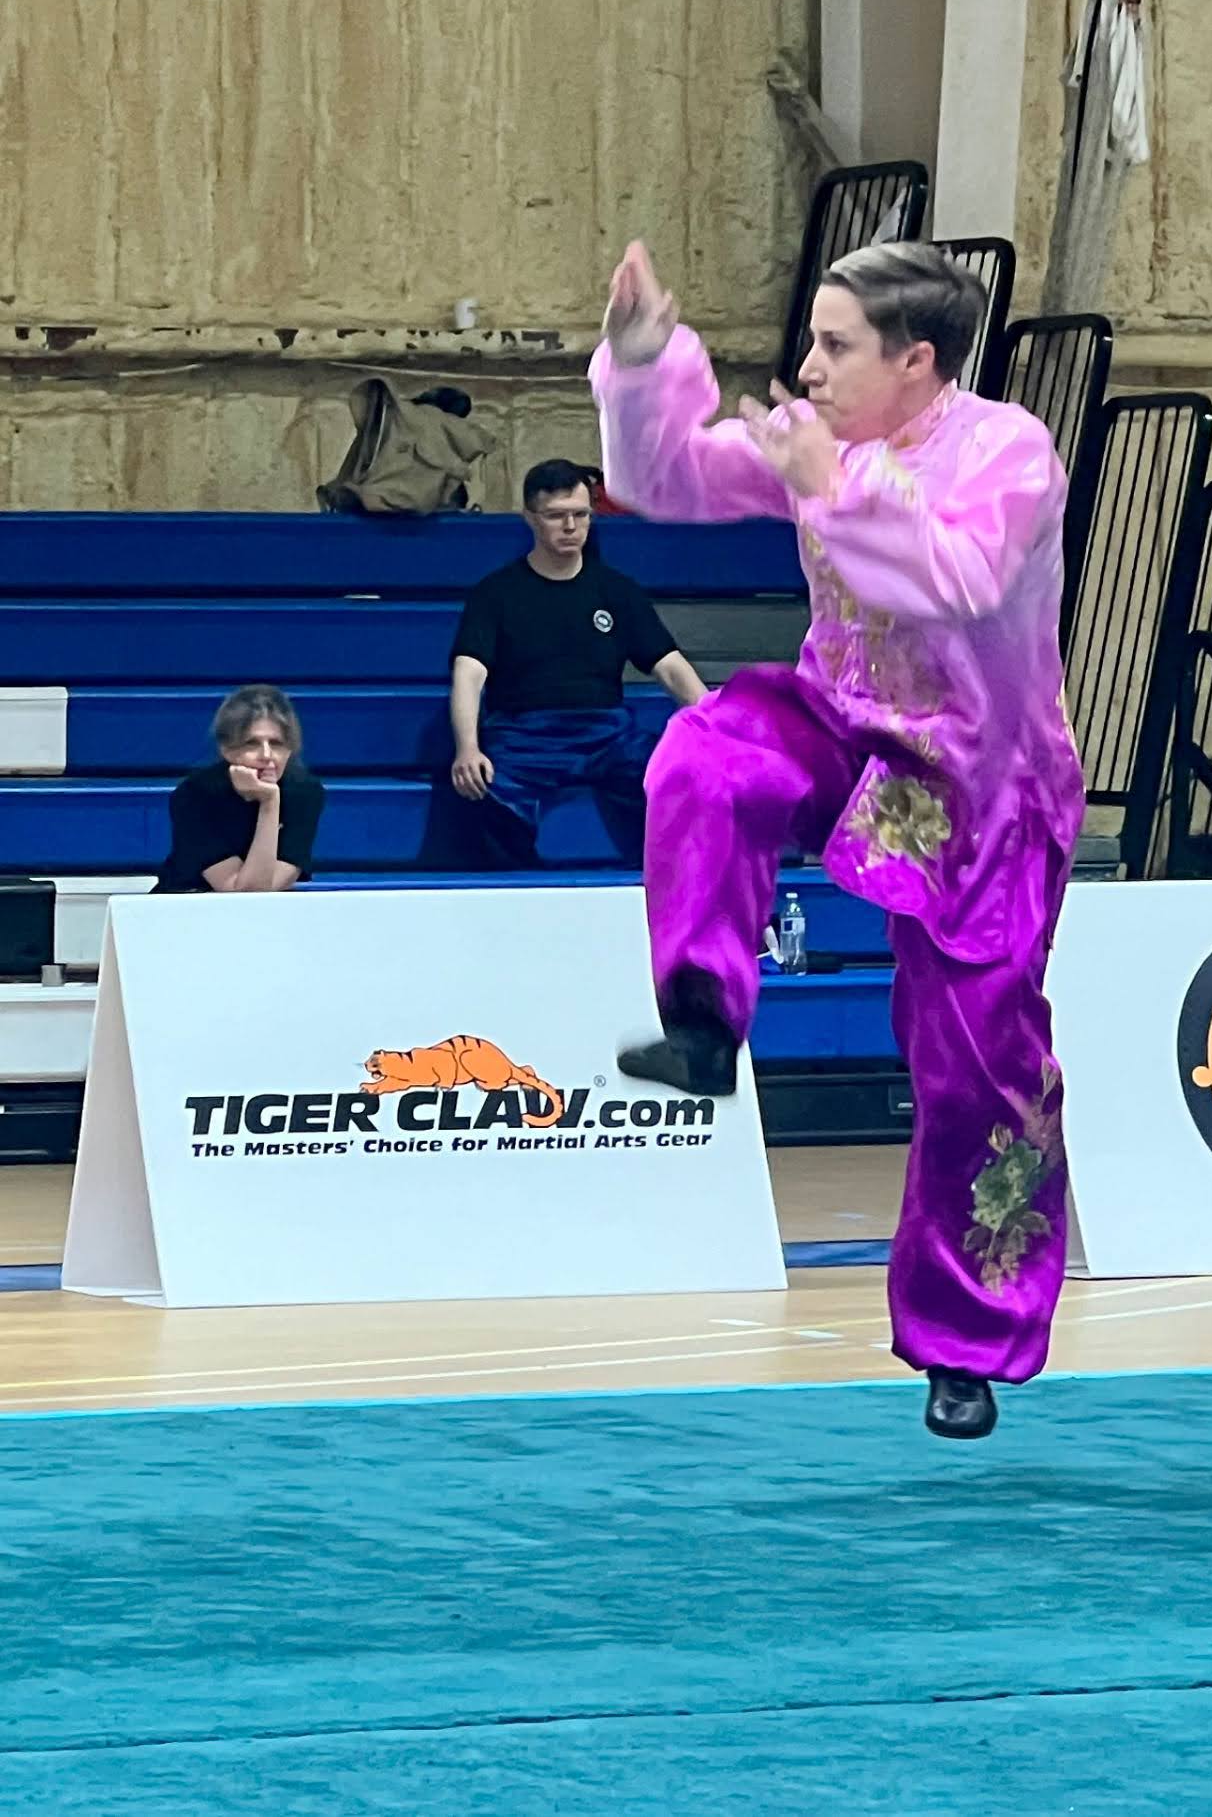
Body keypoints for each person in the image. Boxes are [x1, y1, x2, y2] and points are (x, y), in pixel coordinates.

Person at [591, 240, 1086, 1441]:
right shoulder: (825, 438)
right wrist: (643, 362)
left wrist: (835, 484)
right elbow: (669, 477)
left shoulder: (1008, 451)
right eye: (809, 341)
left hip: (981, 786)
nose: (806, 368)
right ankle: (702, 1020)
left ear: (915, 360)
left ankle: (964, 1343)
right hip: (843, 724)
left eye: (833, 345)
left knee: (977, 1067)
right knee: (707, 752)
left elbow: (959, 580)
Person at [422, 457, 707, 870]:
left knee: (678, 774)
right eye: (556, 516)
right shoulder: (495, 593)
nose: (571, 527)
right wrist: (468, 747)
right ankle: (518, 895)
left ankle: (677, 888)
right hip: (524, 735)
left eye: (581, 514)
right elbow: (469, 674)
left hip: (607, 734)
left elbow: (670, 667)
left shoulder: (617, 590)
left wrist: (715, 727)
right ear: (530, 518)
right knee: (487, 791)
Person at [152, 685, 325, 893]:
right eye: (252, 743)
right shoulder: (194, 795)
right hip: (185, 903)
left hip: (267, 910)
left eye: (276, 743)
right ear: (227, 750)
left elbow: (263, 892)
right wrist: (270, 802)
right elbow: (245, 893)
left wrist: (270, 801)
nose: (267, 755)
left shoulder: (304, 793)